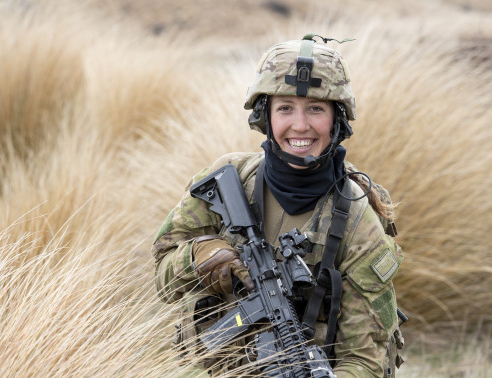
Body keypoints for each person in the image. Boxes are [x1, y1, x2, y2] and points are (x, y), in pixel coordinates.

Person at [152, 33, 405, 377]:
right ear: (265, 115)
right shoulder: (230, 180)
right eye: (285, 108)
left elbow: (365, 360)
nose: (300, 126)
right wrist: (200, 257)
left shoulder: (358, 220)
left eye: (316, 109)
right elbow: (163, 279)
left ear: (337, 120)